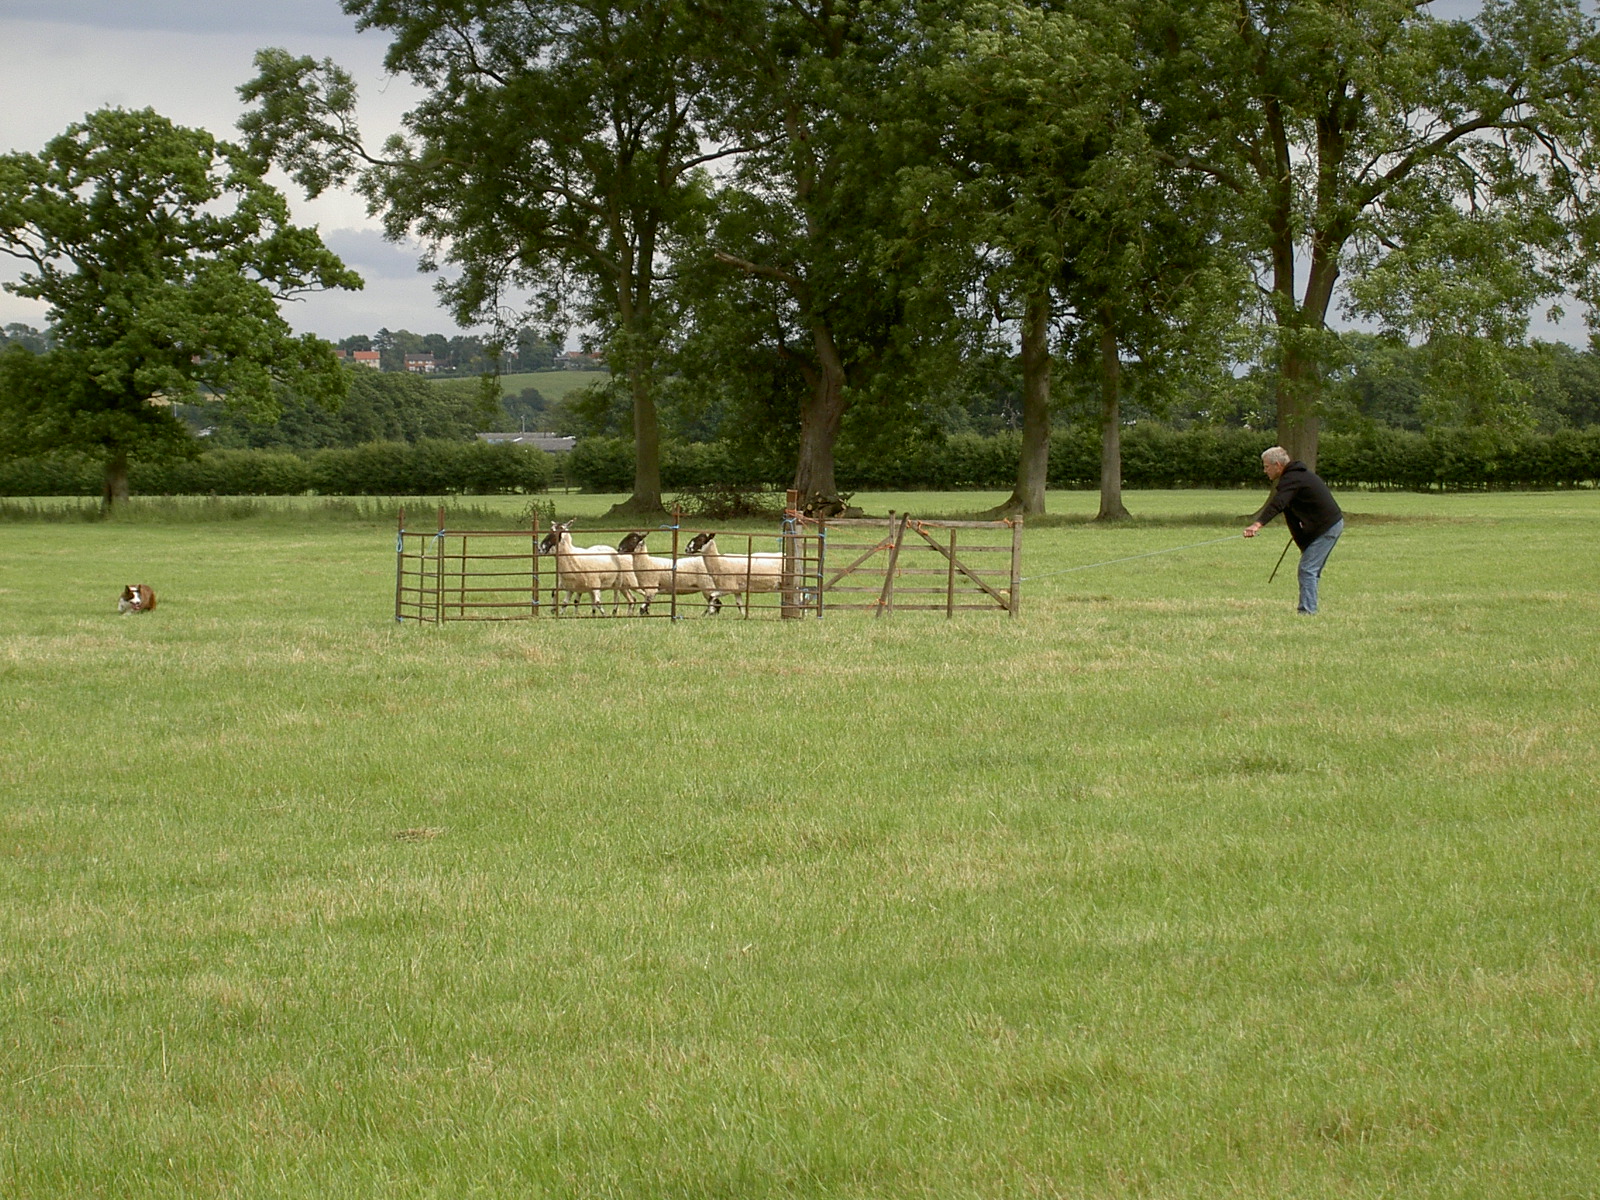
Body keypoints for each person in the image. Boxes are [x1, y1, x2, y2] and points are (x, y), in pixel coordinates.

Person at [1243, 446, 1344, 615]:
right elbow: (1289, 513)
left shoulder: (1293, 478)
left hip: (1327, 526)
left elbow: (1278, 504)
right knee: (1310, 569)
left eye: (1266, 466)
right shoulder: (1292, 478)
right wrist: (1303, 544)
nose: (1264, 470)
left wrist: (1257, 524)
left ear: (1277, 465)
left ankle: (1307, 611)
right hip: (1324, 526)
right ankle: (1309, 607)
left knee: (1307, 569)